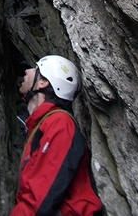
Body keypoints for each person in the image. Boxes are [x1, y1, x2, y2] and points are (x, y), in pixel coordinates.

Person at [11, 55, 102, 216]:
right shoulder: (42, 126)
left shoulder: (60, 124)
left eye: (35, 69)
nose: (27, 70)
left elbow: (40, 202)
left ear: (43, 83)